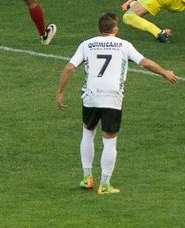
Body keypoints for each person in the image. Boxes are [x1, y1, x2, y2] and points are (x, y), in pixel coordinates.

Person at [56, 13, 177, 195]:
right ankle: (104, 185)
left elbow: (69, 67)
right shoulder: (124, 45)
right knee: (109, 140)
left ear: (99, 29)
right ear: (115, 29)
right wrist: (164, 72)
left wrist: (60, 92)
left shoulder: (86, 44)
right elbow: (145, 63)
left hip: (91, 95)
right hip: (112, 97)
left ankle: (86, 178)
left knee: (88, 133)